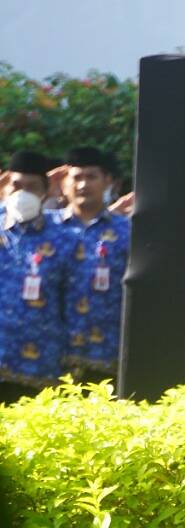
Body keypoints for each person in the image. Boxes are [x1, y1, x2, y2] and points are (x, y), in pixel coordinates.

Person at [49, 147, 131, 385]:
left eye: (91, 177)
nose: (83, 184)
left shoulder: (126, 231)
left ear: (108, 181)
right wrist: (45, 191)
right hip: (50, 355)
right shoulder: (45, 227)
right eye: (77, 177)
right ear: (65, 182)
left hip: (107, 353)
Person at [0, 151, 77, 402]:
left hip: (41, 361)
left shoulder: (64, 235)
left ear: (45, 192)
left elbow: (73, 297)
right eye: (16, 185)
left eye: (31, 187)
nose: (23, 193)